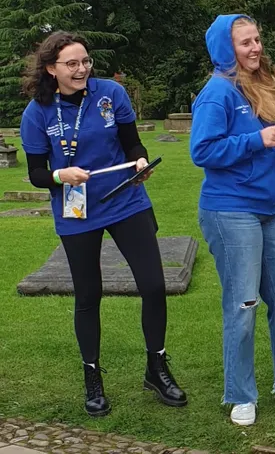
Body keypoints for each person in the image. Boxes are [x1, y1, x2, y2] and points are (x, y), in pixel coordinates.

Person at [18, 31, 187, 417]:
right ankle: (92, 377)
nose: (81, 70)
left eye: (85, 62)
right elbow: (36, 174)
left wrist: (141, 162)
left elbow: (132, 144)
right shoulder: (37, 112)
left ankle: (156, 367)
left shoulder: (110, 94)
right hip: (77, 211)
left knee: (153, 284)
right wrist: (62, 177)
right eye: (71, 64)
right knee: (88, 294)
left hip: (126, 201)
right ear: (51, 69)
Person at [190, 14, 275, 426]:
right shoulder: (217, 94)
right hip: (230, 211)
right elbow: (203, 151)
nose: (255, 48)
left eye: (257, 40)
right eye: (245, 42)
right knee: (243, 305)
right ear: (226, 49)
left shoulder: (260, 89)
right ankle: (241, 394)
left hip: (272, 210)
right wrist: (254, 139)